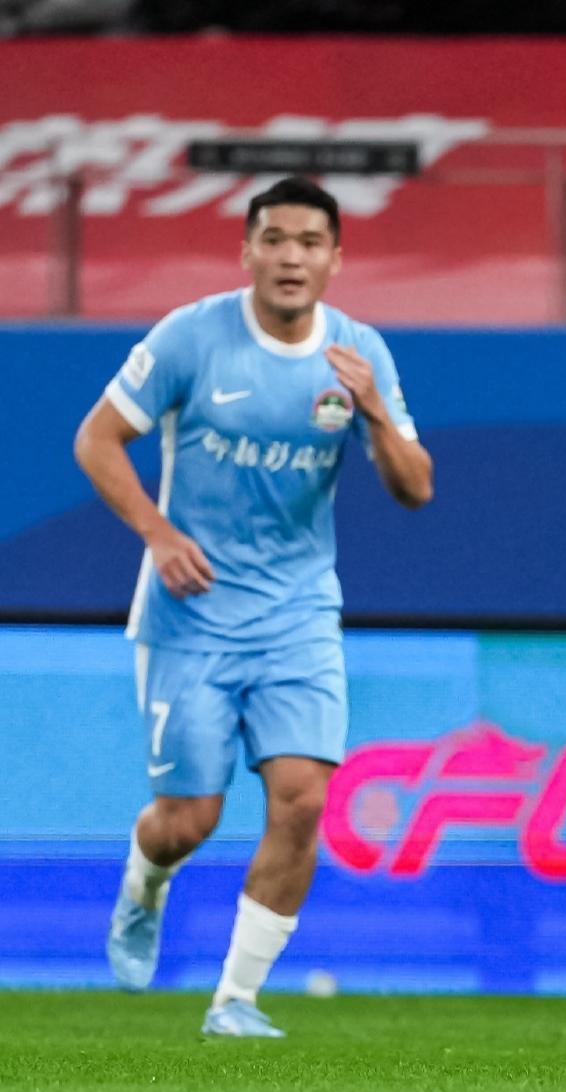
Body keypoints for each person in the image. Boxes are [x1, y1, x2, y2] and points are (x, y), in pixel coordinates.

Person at [72, 175, 433, 1037]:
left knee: (301, 798)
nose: (291, 257)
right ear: (247, 251)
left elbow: (415, 487)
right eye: (274, 239)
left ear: (335, 258)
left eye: (310, 242)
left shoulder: (359, 353)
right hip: (191, 613)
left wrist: (376, 413)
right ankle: (144, 883)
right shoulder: (192, 336)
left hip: (297, 616)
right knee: (188, 819)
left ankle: (234, 999)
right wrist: (159, 533)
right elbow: (96, 438)